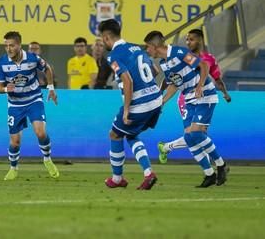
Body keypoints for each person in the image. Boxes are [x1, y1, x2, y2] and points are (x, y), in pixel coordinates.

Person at [144, 31, 229, 187]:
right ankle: (209, 174)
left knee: (196, 133)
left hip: (204, 95)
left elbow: (204, 65)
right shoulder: (164, 63)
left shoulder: (179, 52)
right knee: (190, 138)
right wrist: (162, 101)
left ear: (154, 46)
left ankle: (221, 164)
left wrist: (200, 85)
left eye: (147, 47)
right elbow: (174, 83)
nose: (147, 51)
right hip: (189, 99)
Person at [98, 19, 160, 190]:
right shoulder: (136, 48)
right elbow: (155, 71)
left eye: (102, 39)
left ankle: (117, 179)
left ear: (106, 37)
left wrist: (126, 110)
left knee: (114, 134)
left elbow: (128, 81)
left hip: (139, 103)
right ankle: (148, 173)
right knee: (131, 134)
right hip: (155, 99)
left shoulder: (114, 55)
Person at [157, 28, 231, 163]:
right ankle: (213, 168)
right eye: (187, 39)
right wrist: (160, 93)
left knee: (198, 135)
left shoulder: (209, 59)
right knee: (194, 134)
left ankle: (167, 147)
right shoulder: (182, 55)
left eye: (191, 39)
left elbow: (217, 78)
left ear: (200, 40)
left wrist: (225, 93)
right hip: (185, 99)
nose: (188, 42)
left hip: (203, 96)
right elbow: (171, 78)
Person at [0, 31, 59, 181]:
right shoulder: (2, 63)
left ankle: (47, 159)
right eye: (6, 46)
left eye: (12, 45)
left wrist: (51, 88)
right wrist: (5, 89)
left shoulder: (32, 58)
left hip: (33, 100)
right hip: (15, 104)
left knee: (41, 133)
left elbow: (47, 68)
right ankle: (13, 168)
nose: (9, 49)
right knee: (15, 141)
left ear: (19, 45)